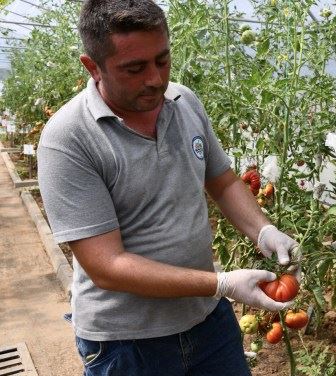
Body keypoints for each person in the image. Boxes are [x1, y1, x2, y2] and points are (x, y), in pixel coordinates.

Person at [36, 1, 299, 375]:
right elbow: (107, 266)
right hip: (127, 344)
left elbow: (222, 180)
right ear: (92, 66)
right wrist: (221, 282)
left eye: (162, 60)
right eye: (135, 68)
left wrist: (263, 229)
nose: (155, 79)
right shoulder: (68, 139)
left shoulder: (183, 101)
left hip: (208, 323)